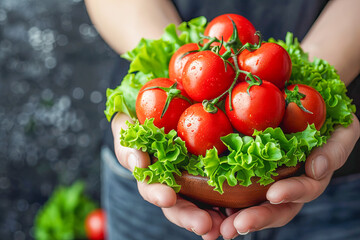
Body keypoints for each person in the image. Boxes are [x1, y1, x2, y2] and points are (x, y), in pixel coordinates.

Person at [85, 0, 360, 239]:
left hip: (337, 190)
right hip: (148, 189)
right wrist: (170, 52)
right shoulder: (191, 77)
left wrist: (325, 68)